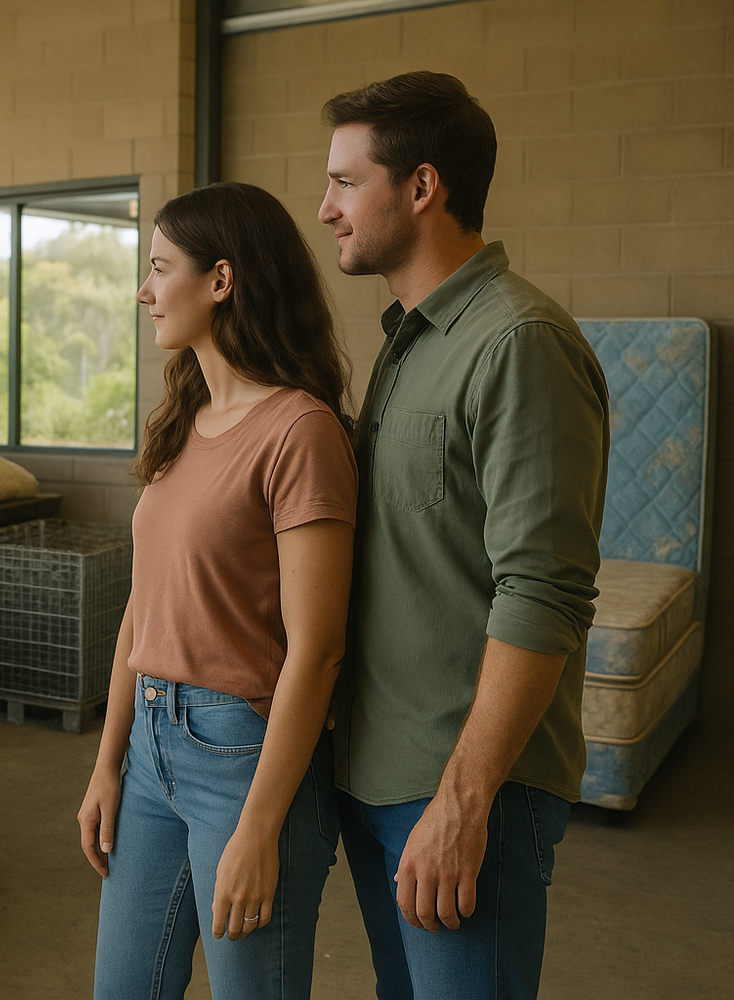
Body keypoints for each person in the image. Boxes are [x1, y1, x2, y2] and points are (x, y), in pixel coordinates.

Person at [317, 72, 610, 1000]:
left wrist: (463, 800)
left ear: (421, 186)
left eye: (344, 182)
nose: (324, 208)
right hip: (377, 771)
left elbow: (545, 590)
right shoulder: (410, 339)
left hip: (459, 787)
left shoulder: (518, 341)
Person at [77, 182, 357, 1000]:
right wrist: (108, 764)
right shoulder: (183, 418)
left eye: (161, 268)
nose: (145, 290)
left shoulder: (299, 431)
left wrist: (262, 823)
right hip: (151, 741)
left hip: (242, 757)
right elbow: (144, 607)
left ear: (222, 280)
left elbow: (319, 647)